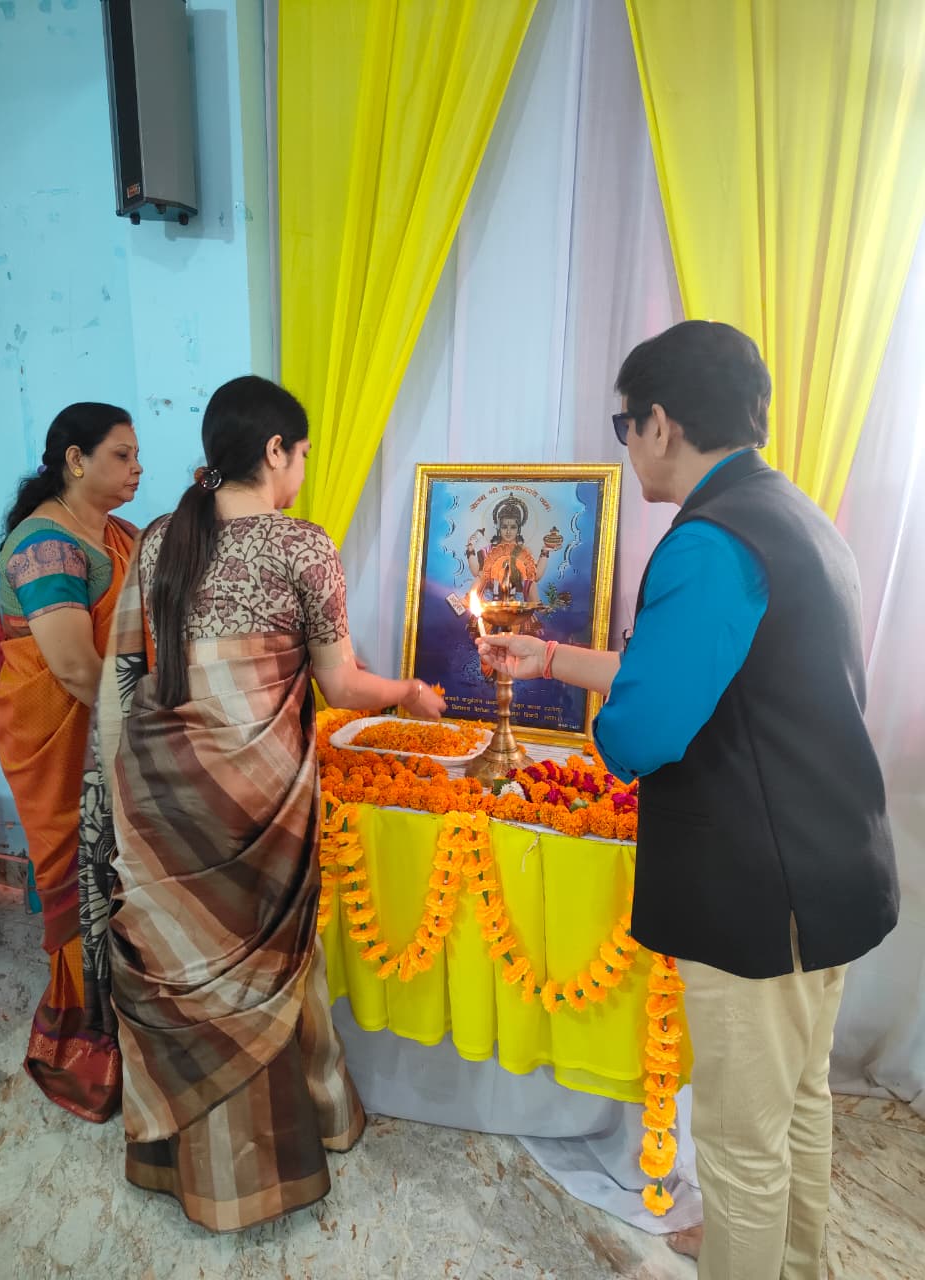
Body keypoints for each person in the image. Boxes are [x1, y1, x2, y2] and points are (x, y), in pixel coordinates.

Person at [477, 321, 899, 1280]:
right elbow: (709, 677)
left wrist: (591, 735)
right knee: (797, 1107)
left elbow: (646, 729)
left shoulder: (708, 544)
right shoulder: (788, 512)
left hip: (760, 889)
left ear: (660, 423)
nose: (628, 445)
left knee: (741, 1149)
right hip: (826, 865)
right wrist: (549, 658)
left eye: (625, 425)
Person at [97, 374, 445, 1233]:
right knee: (272, 966)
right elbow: (341, 684)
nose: (303, 471)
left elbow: (128, 673)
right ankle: (303, 1128)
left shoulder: (159, 537)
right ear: (276, 451)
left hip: (161, 792)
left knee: (183, 963)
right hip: (257, 800)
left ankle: (175, 1160)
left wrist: (119, 792)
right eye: (303, 455)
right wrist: (408, 693)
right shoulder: (303, 545)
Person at [0, 403, 141, 1123]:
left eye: (137, 456)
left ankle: (135, 1029)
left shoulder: (120, 535)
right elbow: (79, 670)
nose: (137, 469)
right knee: (76, 881)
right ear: (76, 460)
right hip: (59, 738)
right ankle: (84, 1040)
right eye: (122, 455)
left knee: (124, 879)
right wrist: (157, 726)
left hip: (113, 729)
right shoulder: (44, 546)